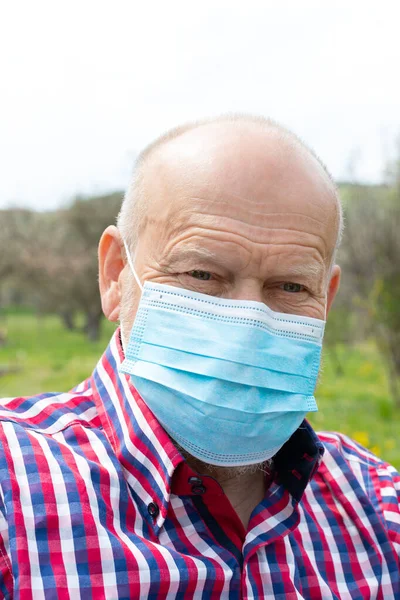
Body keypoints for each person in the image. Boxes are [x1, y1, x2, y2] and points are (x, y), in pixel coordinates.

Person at [0, 115, 399, 599]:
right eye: (201, 274)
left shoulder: (380, 507)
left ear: (326, 298)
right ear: (115, 274)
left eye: (291, 286)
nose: (248, 322)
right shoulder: (12, 492)